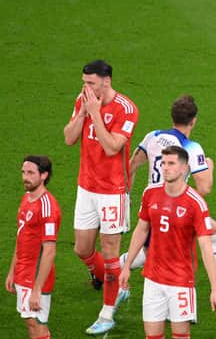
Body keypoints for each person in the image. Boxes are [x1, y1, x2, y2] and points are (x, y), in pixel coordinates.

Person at [120, 95, 216, 306]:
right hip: (173, 207)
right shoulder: (191, 147)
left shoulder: (153, 136)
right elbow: (204, 188)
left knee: (212, 231)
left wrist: (126, 197)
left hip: (150, 204)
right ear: (194, 120)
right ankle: (114, 269)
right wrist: (210, 165)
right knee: (158, 255)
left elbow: (131, 166)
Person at [63, 59, 139, 334]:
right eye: (84, 82)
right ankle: (117, 284)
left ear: (106, 81)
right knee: (82, 249)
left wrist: (95, 113)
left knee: (110, 254)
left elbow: (112, 148)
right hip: (86, 187)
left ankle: (107, 314)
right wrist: (83, 113)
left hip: (113, 192)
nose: (85, 87)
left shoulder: (126, 109)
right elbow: (69, 138)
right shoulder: (83, 101)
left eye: (90, 83)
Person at [119, 146, 216, 338]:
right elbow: (141, 229)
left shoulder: (195, 203)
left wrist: (215, 289)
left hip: (181, 281)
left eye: (171, 163)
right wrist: (126, 266)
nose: (165, 168)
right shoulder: (150, 193)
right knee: (152, 335)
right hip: (152, 279)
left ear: (184, 168)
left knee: (180, 335)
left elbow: (206, 247)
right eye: (163, 163)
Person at [5, 155, 61, 339]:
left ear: (44, 175)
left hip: (36, 276)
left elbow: (50, 251)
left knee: (37, 325)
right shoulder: (26, 198)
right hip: (22, 272)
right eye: (23, 172)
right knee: (30, 323)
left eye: (30, 173)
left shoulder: (47, 207)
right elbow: (21, 236)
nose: (25, 177)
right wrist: (13, 270)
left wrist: (37, 289)